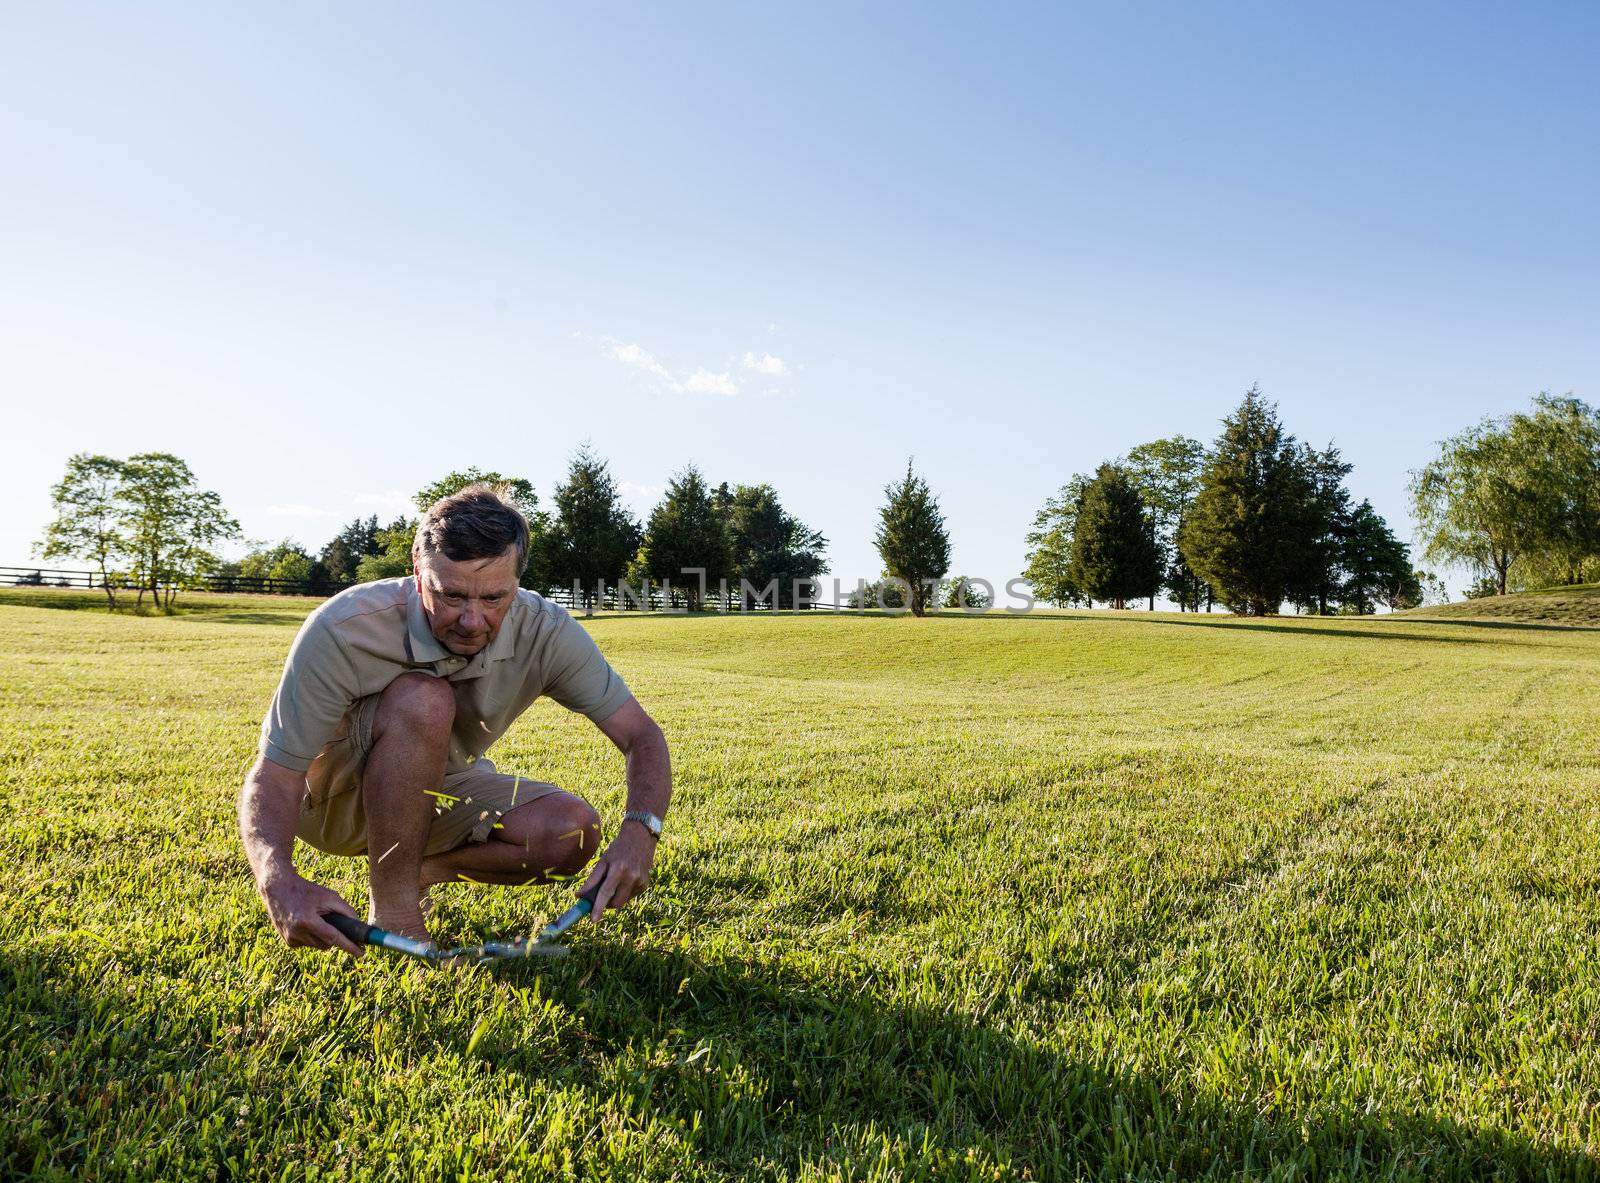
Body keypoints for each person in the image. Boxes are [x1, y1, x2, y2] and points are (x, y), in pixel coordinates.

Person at [238, 485, 671, 957]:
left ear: (517, 581)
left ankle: (416, 868)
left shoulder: (545, 629)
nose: (472, 620)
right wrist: (275, 877)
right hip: (332, 806)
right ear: (418, 574)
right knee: (424, 699)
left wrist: (639, 832)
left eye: (493, 598)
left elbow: (641, 735)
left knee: (571, 831)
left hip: (437, 787)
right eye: (452, 595)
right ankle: (397, 912)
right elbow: (274, 774)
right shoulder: (343, 628)